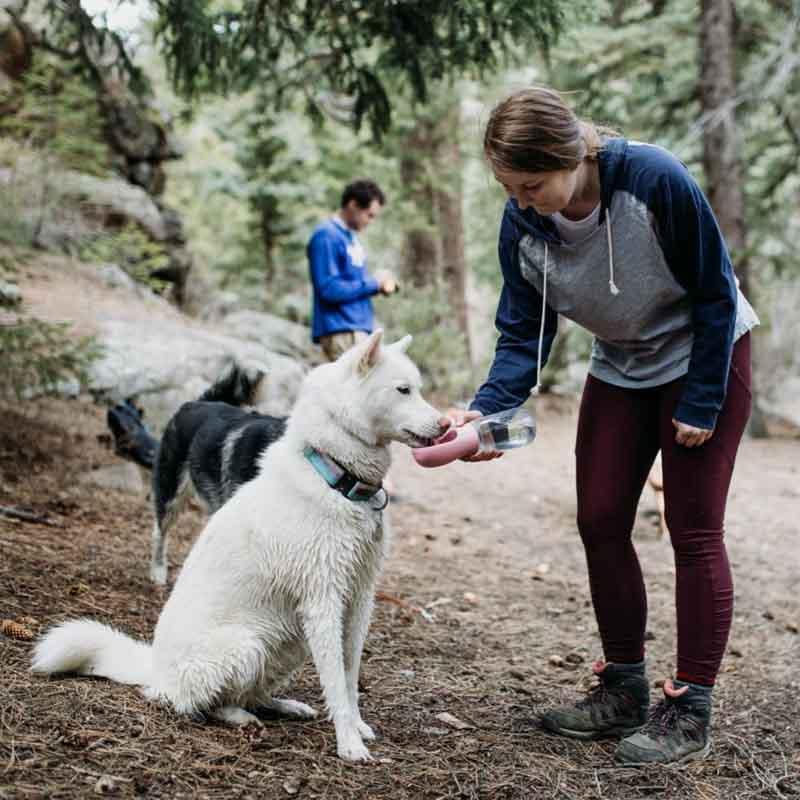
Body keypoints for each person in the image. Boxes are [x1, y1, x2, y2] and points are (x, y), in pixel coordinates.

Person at [449, 87, 759, 765]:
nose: (523, 201)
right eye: (510, 188)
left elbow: (715, 289)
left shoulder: (655, 181)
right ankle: (622, 690)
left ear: (572, 155)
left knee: (694, 527)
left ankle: (690, 706)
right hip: (622, 362)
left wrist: (703, 400)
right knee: (598, 518)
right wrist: (487, 409)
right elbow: (521, 334)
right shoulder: (524, 224)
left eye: (533, 184)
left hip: (705, 353)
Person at [307, 179, 398, 362]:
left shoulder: (350, 238)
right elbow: (328, 289)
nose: (370, 221)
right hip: (341, 331)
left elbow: (353, 284)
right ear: (353, 205)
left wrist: (379, 284)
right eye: (369, 215)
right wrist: (373, 284)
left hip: (357, 330)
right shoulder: (326, 235)